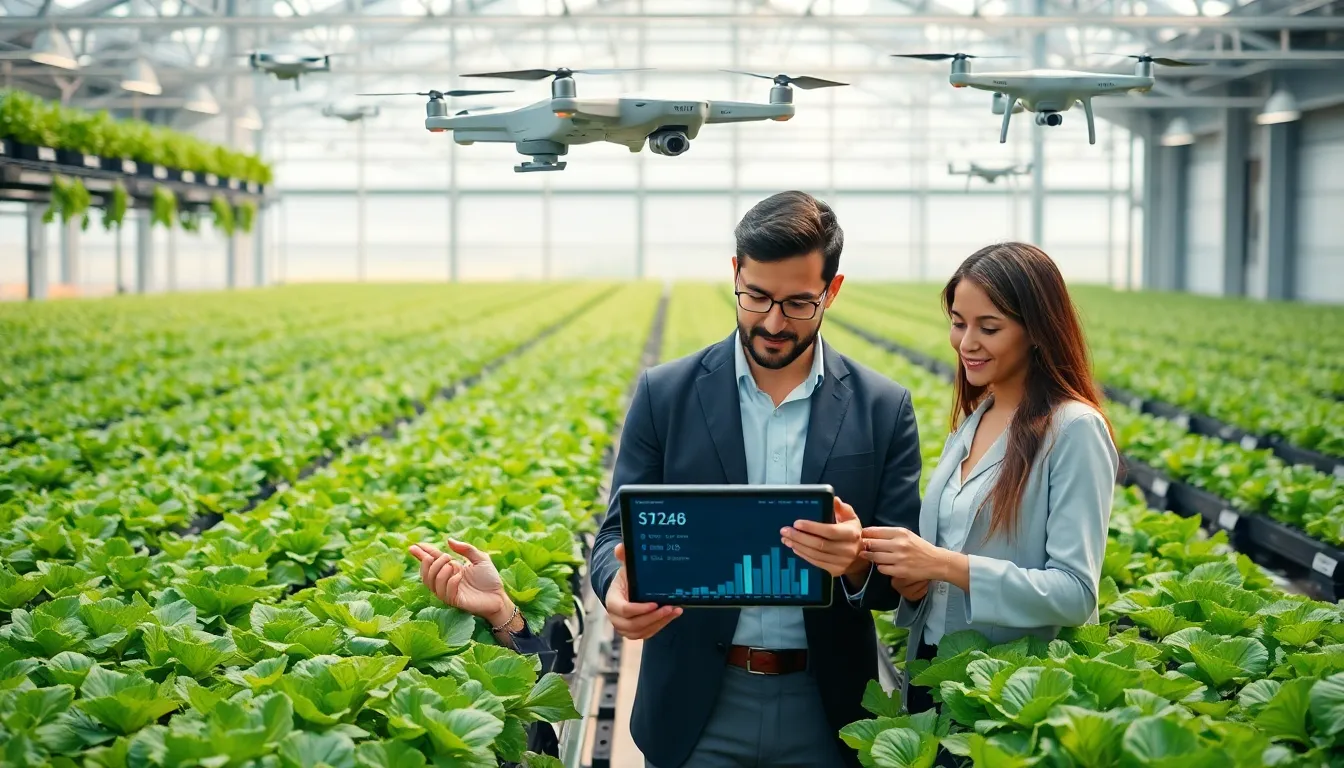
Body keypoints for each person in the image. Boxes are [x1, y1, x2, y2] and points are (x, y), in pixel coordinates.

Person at [587, 191, 923, 768]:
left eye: (797, 304)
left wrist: (859, 559)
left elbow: (899, 578)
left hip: (826, 709)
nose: (772, 322)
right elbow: (613, 537)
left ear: (831, 292)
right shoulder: (664, 395)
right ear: (735, 274)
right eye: (756, 296)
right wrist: (617, 588)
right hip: (695, 705)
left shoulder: (883, 408)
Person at [857, 242, 1119, 715]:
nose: (966, 342)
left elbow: (1075, 593)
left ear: (1037, 331)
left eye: (989, 327)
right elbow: (948, 561)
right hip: (932, 670)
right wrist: (915, 579)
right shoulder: (976, 419)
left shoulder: (1075, 430)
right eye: (958, 322)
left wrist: (941, 565)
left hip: (1004, 694)